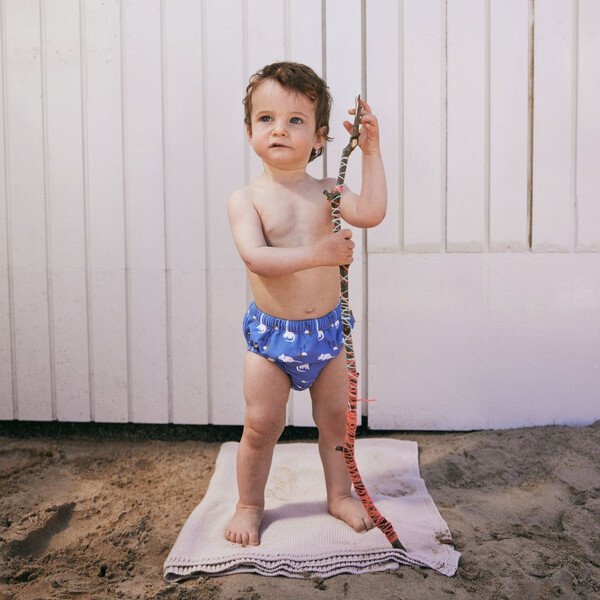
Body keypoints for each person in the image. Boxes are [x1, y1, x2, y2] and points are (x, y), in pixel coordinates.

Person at [225, 62, 387, 546]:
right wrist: (320, 253)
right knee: (261, 425)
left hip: (327, 336)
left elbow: (372, 212)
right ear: (248, 131)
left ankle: (339, 495)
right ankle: (249, 504)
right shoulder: (247, 199)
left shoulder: (328, 191)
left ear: (319, 138)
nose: (279, 129)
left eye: (295, 120)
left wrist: (372, 153)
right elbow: (256, 258)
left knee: (336, 422)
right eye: (266, 118)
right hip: (271, 339)